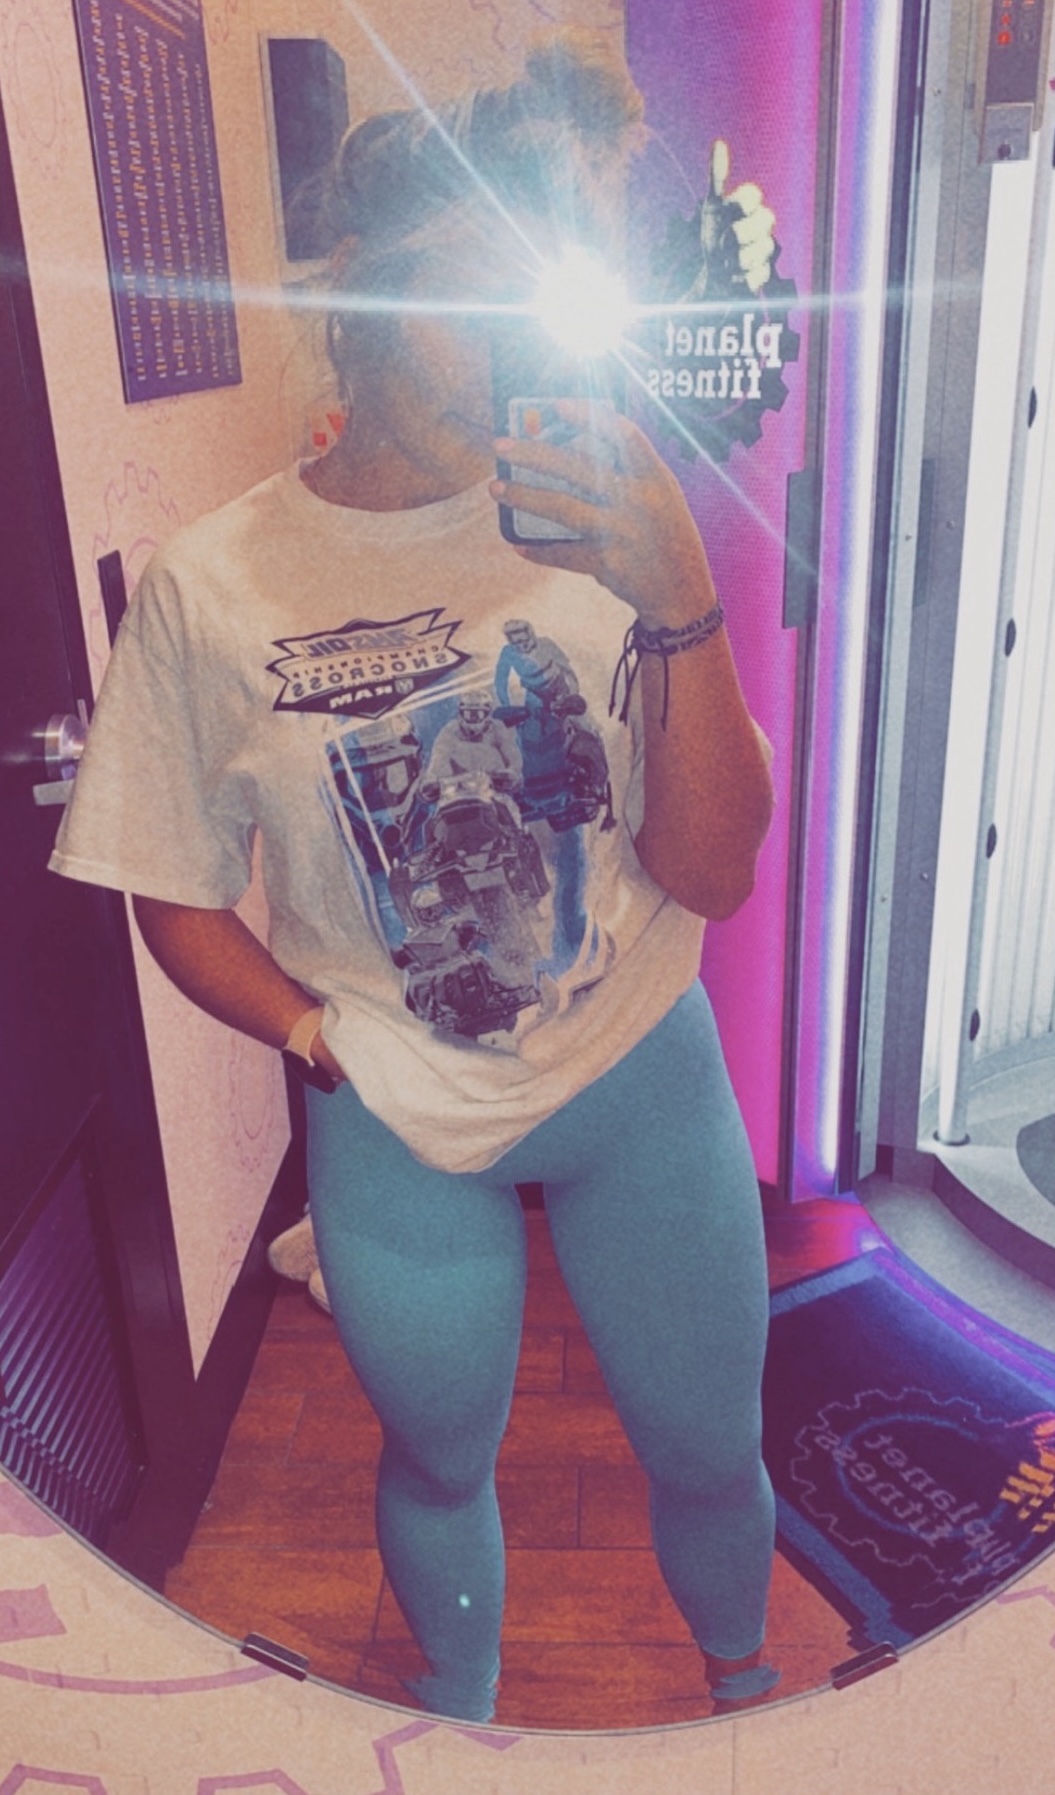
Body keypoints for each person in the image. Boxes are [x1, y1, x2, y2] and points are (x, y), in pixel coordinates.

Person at [50, 31, 778, 1724]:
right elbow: (172, 890)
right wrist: (313, 1040)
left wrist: (680, 592)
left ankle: (752, 1699)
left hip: (639, 1067)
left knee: (709, 1437)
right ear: (364, 295)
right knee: (440, 1457)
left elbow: (717, 871)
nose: (514, 339)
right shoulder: (217, 586)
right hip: (398, 1113)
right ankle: (451, 1722)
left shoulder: (615, 508)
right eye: (471, 290)